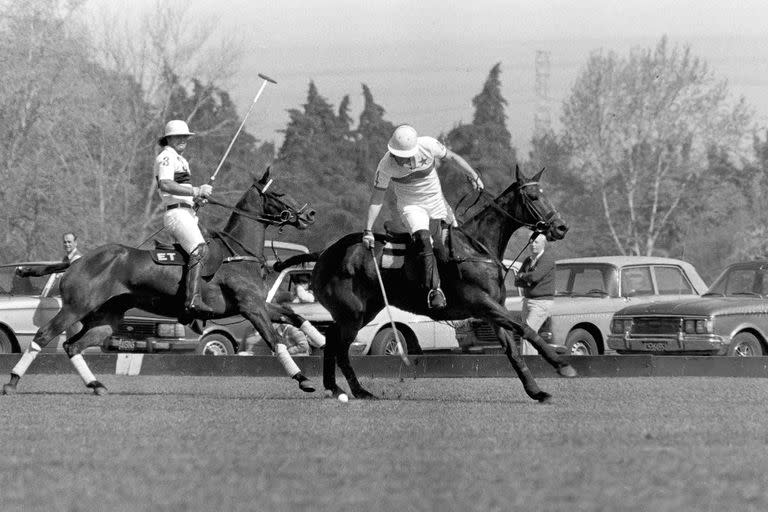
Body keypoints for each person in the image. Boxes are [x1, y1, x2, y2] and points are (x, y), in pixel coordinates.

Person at [362, 124, 484, 309]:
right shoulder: (385, 165)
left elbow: (451, 157)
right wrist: (368, 230)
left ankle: (466, 287)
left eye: (404, 156)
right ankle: (434, 290)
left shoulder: (427, 144)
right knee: (423, 238)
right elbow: (377, 198)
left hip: (438, 204)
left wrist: (473, 175)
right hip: (411, 207)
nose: (401, 160)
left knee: (451, 247)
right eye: (397, 155)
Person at [154, 119, 213, 314]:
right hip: (176, 213)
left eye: (185, 137)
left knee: (208, 249)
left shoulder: (181, 160)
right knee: (200, 250)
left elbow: (181, 189)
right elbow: (165, 184)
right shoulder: (166, 157)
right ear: (168, 138)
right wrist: (196, 190)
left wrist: (195, 199)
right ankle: (193, 299)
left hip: (186, 211)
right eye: (178, 136)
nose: (183, 140)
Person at [514, 233, 562, 353]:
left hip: (541, 302)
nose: (532, 244)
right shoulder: (528, 260)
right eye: (531, 242)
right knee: (526, 335)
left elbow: (535, 277)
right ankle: (532, 362)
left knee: (527, 334)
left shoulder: (547, 259)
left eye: (536, 242)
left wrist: (523, 276)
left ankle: (531, 364)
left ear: (543, 244)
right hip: (527, 301)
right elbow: (516, 281)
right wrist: (527, 279)